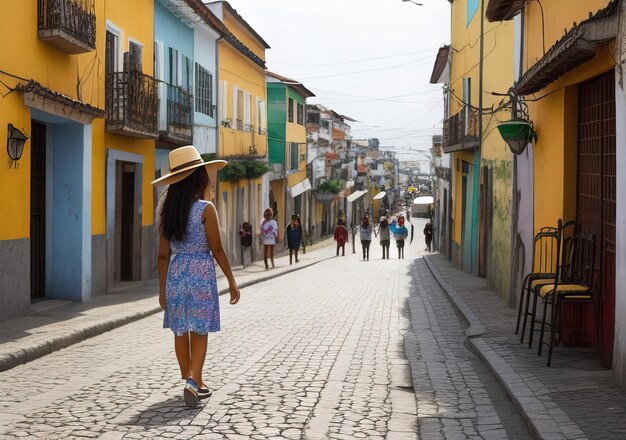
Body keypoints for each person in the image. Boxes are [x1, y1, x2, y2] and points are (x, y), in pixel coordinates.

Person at [153, 145, 240, 408]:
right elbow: (217, 249)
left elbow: (162, 255)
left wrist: (162, 290)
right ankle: (194, 379)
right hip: (201, 274)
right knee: (199, 330)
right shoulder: (206, 209)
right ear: (197, 177)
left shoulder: (168, 212)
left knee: (180, 330)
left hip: (177, 275)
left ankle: (192, 380)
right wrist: (232, 281)